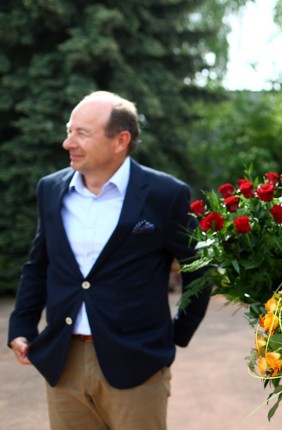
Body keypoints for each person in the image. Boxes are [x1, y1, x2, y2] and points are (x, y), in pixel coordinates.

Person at [7, 91, 212, 430]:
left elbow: (199, 269)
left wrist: (176, 332)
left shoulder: (164, 194)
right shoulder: (50, 189)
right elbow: (39, 264)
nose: (67, 142)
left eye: (81, 133)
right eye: (70, 130)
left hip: (137, 363)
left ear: (120, 141)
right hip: (63, 360)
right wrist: (22, 326)